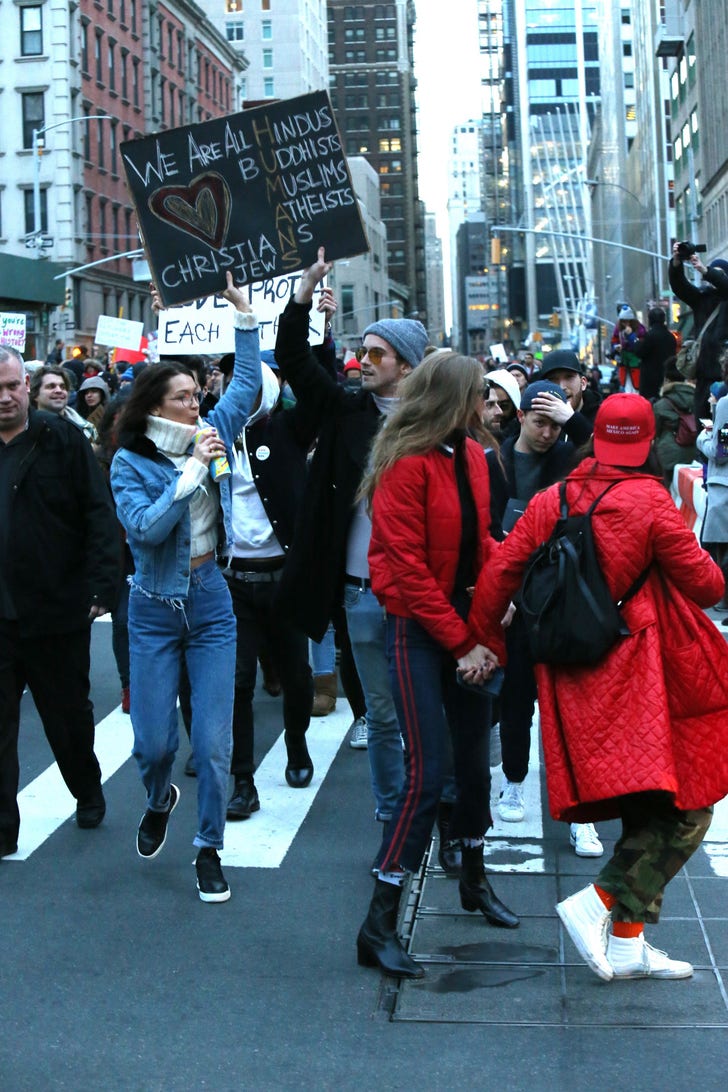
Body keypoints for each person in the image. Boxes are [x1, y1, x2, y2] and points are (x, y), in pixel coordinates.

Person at [471, 393, 728, 981]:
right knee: (687, 808)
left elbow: (500, 571)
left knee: (646, 806)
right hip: (639, 674)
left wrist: (482, 643)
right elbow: (709, 586)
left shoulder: (553, 498)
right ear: (648, 443)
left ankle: (628, 945)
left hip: (570, 674)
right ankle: (599, 901)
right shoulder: (650, 501)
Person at [356, 350, 519, 981]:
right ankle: (378, 924)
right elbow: (407, 571)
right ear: (454, 398)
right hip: (418, 632)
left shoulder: (474, 456)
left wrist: (501, 594)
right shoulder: (403, 463)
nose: (489, 404)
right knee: (425, 778)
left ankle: (473, 880)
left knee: (473, 769)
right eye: (481, 394)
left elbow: (480, 543)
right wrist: (462, 644)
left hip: (467, 625)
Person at [275, 247, 429, 865]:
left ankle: (432, 808)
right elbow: (293, 360)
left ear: (407, 366)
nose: (362, 362)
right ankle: (391, 817)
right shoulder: (345, 411)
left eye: (376, 355)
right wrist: (303, 294)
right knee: (384, 716)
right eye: (361, 352)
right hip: (361, 592)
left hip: (424, 597)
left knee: (426, 714)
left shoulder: (436, 425)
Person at [110, 274, 261, 903]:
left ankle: (209, 849)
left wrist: (244, 316)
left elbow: (246, 386)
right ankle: (158, 798)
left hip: (211, 601)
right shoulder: (130, 462)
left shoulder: (213, 430)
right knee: (153, 745)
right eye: (183, 398)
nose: (196, 406)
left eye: (198, 395)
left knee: (214, 742)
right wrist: (193, 472)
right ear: (155, 407)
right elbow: (145, 531)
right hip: (151, 607)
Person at [0, 343, 119, 857]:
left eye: (11, 386)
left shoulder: (62, 439)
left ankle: (87, 789)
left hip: (55, 608)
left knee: (67, 717)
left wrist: (101, 585)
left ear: (25, 386)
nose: (4, 397)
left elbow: (98, 512)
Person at [669, 243, 728, 419]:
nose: (715, 278)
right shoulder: (702, 298)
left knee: (723, 427)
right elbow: (680, 287)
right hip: (703, 378)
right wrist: (676, 263)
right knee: (704, 426)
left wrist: (706, 270)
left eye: (720, 274)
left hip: (725, 378)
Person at [653, 358, 698, 484]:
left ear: (667, 379)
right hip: (694, 455)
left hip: (667, 455)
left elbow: (654, 431)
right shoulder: (697, 400)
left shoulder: (661, 404)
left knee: (668, 490)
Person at [29, 365, 98, 443]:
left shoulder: (87, 429)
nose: (59, 390)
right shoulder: (23, 429)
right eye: (51, 386)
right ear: (35, 394)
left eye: (63, 387)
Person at [630, 307, 677, 402]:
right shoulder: (671, 337)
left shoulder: (650, 336)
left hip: (650, 381)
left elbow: (639, 351)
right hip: (666, 379)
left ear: (650, 320)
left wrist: (634, 339)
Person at [610, 305, 646, 392]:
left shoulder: (640, 329)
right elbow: (614, 341)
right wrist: (616, 347)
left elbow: (640, 345)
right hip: (624, 364)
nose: (625, 324)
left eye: (628, 321)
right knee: (627, 388)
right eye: (623, 322)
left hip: (636, 364)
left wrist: (631, 336)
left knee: (636, 388)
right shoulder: (618, 329)